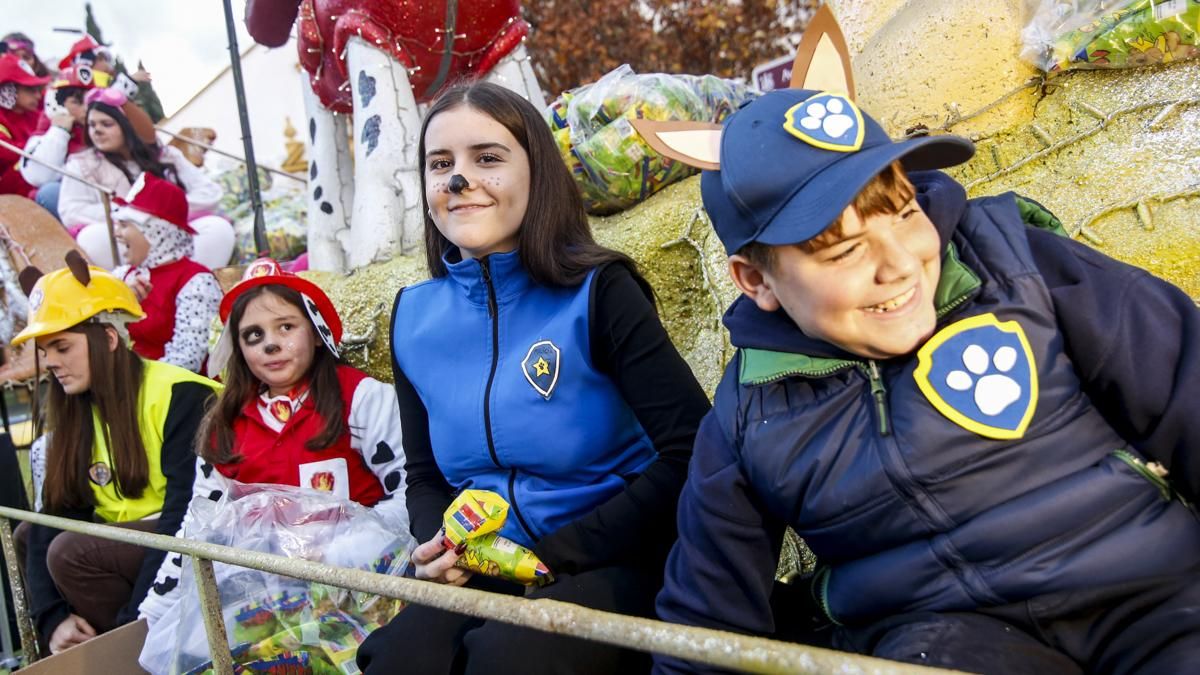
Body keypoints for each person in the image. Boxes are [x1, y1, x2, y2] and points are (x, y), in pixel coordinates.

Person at [650, 30, 1200, 675]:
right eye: (844, 250)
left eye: (905, 213)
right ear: (756, 281)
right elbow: (708, 625)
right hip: (944, 641)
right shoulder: (750, 417)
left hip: (1155, 594)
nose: (901, 265)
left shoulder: (1020, 268)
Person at [357, 81, 711, 675]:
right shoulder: (412, 318)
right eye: (440, 164)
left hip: (618, 558)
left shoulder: (601, 291)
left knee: (512, 659)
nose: (458, 180)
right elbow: (424, 476)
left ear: (537, 172)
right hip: (488, 563)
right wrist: (440, 546)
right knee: (398, 659)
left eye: (487, 158)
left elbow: (691, 451)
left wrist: (551, 556)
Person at [136, 257, 411, 624]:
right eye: (254, 335)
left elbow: (412, 490)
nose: (270, 345)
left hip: (366, 590)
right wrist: (153, 614)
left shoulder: (363, 398)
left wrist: (342, 551)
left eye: (285, 327)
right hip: (262, 606)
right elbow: (199, 526)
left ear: (315, 332)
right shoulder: (224, 424)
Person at [10, 252, 218, 654]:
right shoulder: (77, 407)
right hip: (134, 546)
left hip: (195, 539)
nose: (51, 362)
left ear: (107, 339)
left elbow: (184, 514)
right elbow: (55, 511)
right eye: (46, 350)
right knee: (28, 534)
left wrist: (134, 620)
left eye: (62, 347)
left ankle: (129, 652)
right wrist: (52, 620)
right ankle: (88, 647)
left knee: (70, 552)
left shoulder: (181, 393)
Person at [58, 87, 234, 270]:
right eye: (92, 125)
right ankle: (136, 290)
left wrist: (165, 210)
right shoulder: (81, 164)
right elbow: (71, 211)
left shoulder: (166, 156)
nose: (97, 131)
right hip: (124, 240)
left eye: (106, 124)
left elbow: (209, 193)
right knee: (92, 237)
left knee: (217, 228)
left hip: (173, 237)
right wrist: (130, 214)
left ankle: (192, 287)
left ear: (128, 125)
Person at [110, 172, 222, 372]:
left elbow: (186, 361)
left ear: (155, 231)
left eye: (125, 225)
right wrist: (117, 300)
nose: (117, 233)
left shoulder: (196, 281)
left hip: (172, 395)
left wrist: (130, 383)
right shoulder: (123, 276)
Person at [20, 65, 100, 219]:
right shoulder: (42, 136)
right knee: (49, 193)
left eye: (90, 100)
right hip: (73, 202)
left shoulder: (99, 128)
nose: (86, 108)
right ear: (57, 103)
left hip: (100, 195)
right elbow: (39, 177)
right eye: (77, 102)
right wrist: (59, 131)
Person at [0, 52, 48, 197]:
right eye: (30, 89)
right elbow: (11, 155)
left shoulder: (36, 115)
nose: (38, 96)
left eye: (38, 90)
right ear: (8, 89)